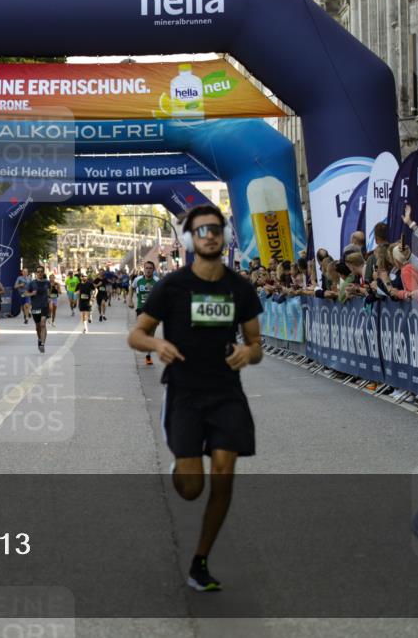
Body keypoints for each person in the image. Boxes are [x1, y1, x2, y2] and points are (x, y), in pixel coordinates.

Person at [127, 204, 263, 593]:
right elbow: (136, 335)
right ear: (190, 239)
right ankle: (180, 469)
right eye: (201, 230)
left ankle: (201, 559)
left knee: (223, 472)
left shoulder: (239, 288)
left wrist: (247, 354)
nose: (209, 236)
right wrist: (156, 342)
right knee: (192, 488)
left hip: (226, 393)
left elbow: (256, 344)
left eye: (215, 229)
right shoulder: (172, 286)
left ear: (224, 236)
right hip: (185, 392)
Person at [129, 260, 160, 365]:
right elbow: (131, 288)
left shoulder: (157, 281)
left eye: (150, 268)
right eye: (146, 268)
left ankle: (148, 356)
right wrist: (129, 300)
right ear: (143, 269)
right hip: (141, 308)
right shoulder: (138, 280)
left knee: (151, 333)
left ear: (153, 270)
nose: (148, 270)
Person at [25, 266, 50, 353]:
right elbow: (25, 293)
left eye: (41, 271)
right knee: (38, 326)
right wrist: (32, 293)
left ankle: (42, 344)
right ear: (36, 273)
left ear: (43, 273)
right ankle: (39, 339)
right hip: (35, 307)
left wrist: (49, 300)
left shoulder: (47, 282)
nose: (39, 273)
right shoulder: (32, 283)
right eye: (38, 272)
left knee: (43, 324)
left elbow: (49, 293)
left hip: (44, 306)